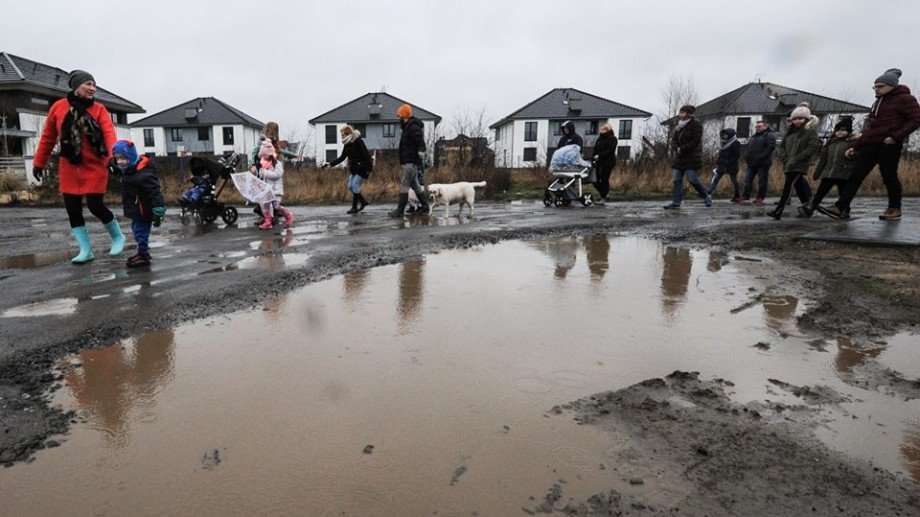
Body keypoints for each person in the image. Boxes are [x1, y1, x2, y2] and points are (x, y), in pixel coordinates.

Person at [32, 70, 125, 264]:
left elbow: (109, 134)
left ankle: (117, 236)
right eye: (88, 84)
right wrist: (39, 163)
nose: (92, 88)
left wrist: (113, 157)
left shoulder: (99, 109)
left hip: (95, 165)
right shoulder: (58, 108)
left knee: (95, 205)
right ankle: (85, 250)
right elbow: (48, 138)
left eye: (94, 85)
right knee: (72, 209)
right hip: (70, 166)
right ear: (76, 86)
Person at [817, 68, 920, 221]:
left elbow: (916, 119)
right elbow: (870, 129)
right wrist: (856, 146)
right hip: (871, 145)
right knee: (855, 175)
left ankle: (894, 208)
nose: (876, 90)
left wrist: (895, 137)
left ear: (891, 86)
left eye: (880, 87)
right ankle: (840, 207)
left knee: (889, 176)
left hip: (889, 145)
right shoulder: (877, 102)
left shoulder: (905, 99)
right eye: (875, 87)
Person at [111, 140, 165, 267]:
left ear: (131, 157)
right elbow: (115, 166)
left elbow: (156, 193)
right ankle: (143, 252)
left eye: (123, 158)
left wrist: (159, 211)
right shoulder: (128, 169)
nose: (120, 162)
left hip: (144, 210)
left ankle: (143, 254)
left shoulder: (144, 175)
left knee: (140, 232)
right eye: (117, 159)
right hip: (137, 210)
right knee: (136, 229)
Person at [767, 104, 820, 219]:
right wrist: (785, 158)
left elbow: (811, 148)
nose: (797, 121)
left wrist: (796, 159)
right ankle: (808, 209)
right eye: (795, 119)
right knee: (799, 185)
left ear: (806, 119)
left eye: (800, 118)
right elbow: (781, 147)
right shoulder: (790, 132)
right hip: (788, 164)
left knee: (788, 185)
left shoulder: (810, 132)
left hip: (799, 165)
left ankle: (778, 211)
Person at [799, 117, 857, 218]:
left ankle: (845, 210)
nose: (839, 132)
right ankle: (811, 207)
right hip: (829, 173)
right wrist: (817, 173)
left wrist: (853, 155)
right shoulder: (831, 144)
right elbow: (823, 161)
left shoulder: (851, 144)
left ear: (849, 132)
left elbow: (855, 158)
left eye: (843, 130)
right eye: (837, 130)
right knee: (820, 192)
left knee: (843, 194)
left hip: (843, 174)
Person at [664, 105, 711, 209]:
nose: (680, 114)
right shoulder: (679, 126)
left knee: (692, 179)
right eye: (680, 112)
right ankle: (676, 202)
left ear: (688, 114)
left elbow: (696, 141)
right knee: (676, 179)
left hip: (692, 156)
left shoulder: (696, 125)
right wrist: (675, 146)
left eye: (682, 112)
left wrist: (683, 148)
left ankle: (706, 195)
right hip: (680, 156)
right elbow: (675, 139)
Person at [389, 104, 429, 217]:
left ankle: (400, 210)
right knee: (415, 184)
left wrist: (422, 152)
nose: (399, 119)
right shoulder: (408, 127)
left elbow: (420, 142)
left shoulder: (412, 127)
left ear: (404, 116)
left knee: (404, 184)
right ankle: (425, 206)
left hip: (411, 160)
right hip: (409, 160)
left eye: (400, 117)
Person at [323, 125, 373, 214]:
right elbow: (342, 157)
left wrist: (369, 168)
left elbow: (366, 155)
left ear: (347, 134)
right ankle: (363, 202)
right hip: (354, 168)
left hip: (362, 167)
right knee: (350, 186)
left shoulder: (358, 141)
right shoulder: (347, 144)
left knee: (355, 185)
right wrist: (330, 164)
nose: (341, 136)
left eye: (342, 135)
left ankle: (354, 207)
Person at [255, 138, 294, 229]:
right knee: (265, 206)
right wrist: (259, 173)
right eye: (262, 156)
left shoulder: (277, 164)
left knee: (276, 206)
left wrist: (264, 173)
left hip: (276, 189)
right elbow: (262, 177)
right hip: (266, 189)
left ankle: (288, 215)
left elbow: (278, 174)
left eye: (265, 155)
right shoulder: (263, 165)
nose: (264, 158)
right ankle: (268, 221)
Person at [741, 120, 777, 204]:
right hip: (751, 162)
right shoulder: (754, 136)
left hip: (763, 163)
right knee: (747, 180)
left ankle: (760, 197)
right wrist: (746, 156)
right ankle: (745, 196)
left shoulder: (770, 135)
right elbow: (748, 147)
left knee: (762, 181)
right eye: (756, 126)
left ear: (765, 126)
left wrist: (761, 156)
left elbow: (771, 148)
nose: (757, 128)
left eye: (759, 126)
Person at [707, 128, 742, 202]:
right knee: (716, 179)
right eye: (724, 134)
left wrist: (729, 161)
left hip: (732, 166)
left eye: (727, 134)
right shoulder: (723, 143)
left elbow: (737, 155)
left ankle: (737, 195)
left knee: (734, 181)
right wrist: (718, 162)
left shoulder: (736, 143)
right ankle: (708, 193)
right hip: (722, 165)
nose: (725, 136)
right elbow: (721, 154)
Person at [592, 123, 618, 204]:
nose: (601, 131)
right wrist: (592, 157)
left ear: (607, 130)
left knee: (604, 179)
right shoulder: (600, 138)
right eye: (601, 129)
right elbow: (596, 148)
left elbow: (610, 150)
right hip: (598, 161)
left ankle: (603, 197)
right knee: (594, 179)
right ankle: (604, 193)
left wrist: (599, 155)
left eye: (603, 129)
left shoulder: (612, 138)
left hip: (608, 162)